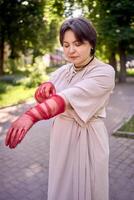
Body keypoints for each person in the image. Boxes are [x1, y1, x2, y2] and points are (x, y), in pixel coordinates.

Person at [5, 17, 115, 200]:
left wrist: (30, 116)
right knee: (62, 189)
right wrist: (43, 89)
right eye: (66, 45)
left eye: (78, 43)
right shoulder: (64, 70)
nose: (71, 50)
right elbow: (45, 92)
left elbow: (66, 98)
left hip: (88, 138)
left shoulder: (104, 72)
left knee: (90, 188)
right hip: (62, 138)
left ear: (91, 43)